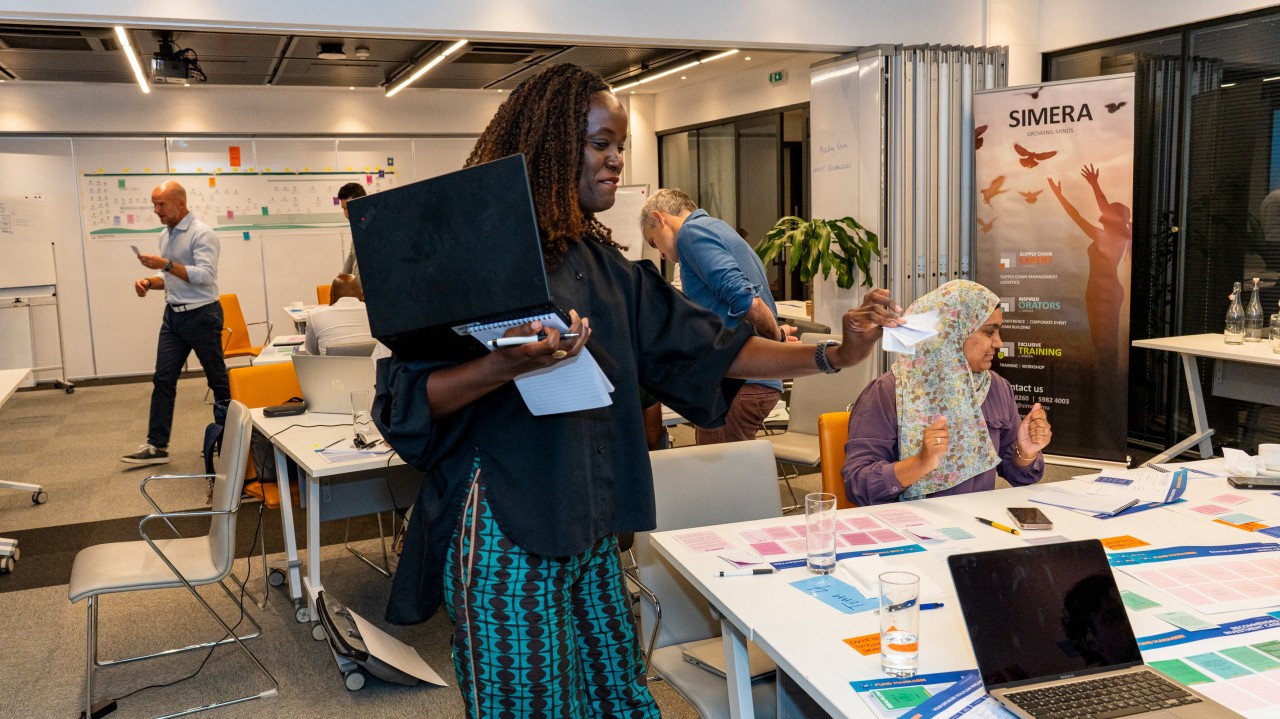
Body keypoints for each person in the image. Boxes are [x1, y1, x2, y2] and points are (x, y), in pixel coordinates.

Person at [373, 63, 900, 718]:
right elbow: (408, 397)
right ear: (552, 147)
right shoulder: (479, 265)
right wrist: (506, 365)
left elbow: (713, 347)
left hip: (592, 524)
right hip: (511, 526)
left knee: (620, 697)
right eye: (601, 144)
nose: (617, 160)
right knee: (530, 704)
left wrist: (834, 354)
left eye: (620, 145)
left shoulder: (610, 270)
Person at [841, 280, 1052, 505]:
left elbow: (1019, 476)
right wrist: (919, 464)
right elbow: (857, 485)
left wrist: (1025, 452)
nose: (999, 343)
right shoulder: (888, 391)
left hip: (976, 520)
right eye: (989, 332)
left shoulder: (996, 388)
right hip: (911, 521)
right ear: (951, 331)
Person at [640, 187, 790, 444]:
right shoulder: (720, 230)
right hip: (753, 378)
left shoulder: (690, 234)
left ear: (659, 218)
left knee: (722, 469)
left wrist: (777, 339)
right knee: (737, 467)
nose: (662, 255)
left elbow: (749, 302)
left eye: (654, 243)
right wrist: (778, 339)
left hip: (737, 381)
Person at [122, 180, 229, 466]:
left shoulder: (202, 233)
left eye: (162, 205)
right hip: (173, 316)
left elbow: (205, 275)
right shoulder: (165, 235)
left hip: (202, 315)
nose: (156, 210)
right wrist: (149, 281)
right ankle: (157, 446)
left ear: (180, 203)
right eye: (154, 205)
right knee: (163, 379)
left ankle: (230, 439)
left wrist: (165, 265)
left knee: (218, 381)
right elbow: (171, 276)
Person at [1047, 165, 1131, 370]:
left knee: (1105, 342)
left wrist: (1060, 196)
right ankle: (1106, 375)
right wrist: (1094, 184)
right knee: (1101, 341)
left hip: (1105, 292)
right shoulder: (1116, 235)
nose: (1104, 211)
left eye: (1110, 211)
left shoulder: (1109, 237)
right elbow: (1104, 206)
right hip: (1099, 290)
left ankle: (1108, 378)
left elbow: (1078, 217)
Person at [304, 273, 372, 355]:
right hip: (372, 363)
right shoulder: (375, 313)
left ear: (331, 296)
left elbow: (311, 353)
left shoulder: (315, 315)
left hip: (330, 363)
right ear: (362, 296)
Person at [338, 182, 368, 278]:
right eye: (344, 209)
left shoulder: (370, 227)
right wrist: (342, 279)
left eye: (348, 208)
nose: (346, 214)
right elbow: (352, 256)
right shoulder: (359, 227)